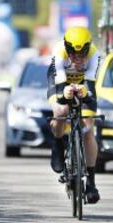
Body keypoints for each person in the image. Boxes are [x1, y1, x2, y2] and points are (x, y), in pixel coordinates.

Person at [47, 26, 101, 204]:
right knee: (61, 111)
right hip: (61, 81)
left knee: (88, 126)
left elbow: (91, 88)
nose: (77, 59)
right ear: (66, 49)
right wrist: (65, 94)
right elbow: (60, 86)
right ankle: (57, 144)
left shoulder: (95, 56)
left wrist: (85, 93)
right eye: (73, 54)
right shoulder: (58, 54)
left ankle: (91, 183)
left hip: (85, 82)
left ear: (88, 50)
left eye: (81, 55)